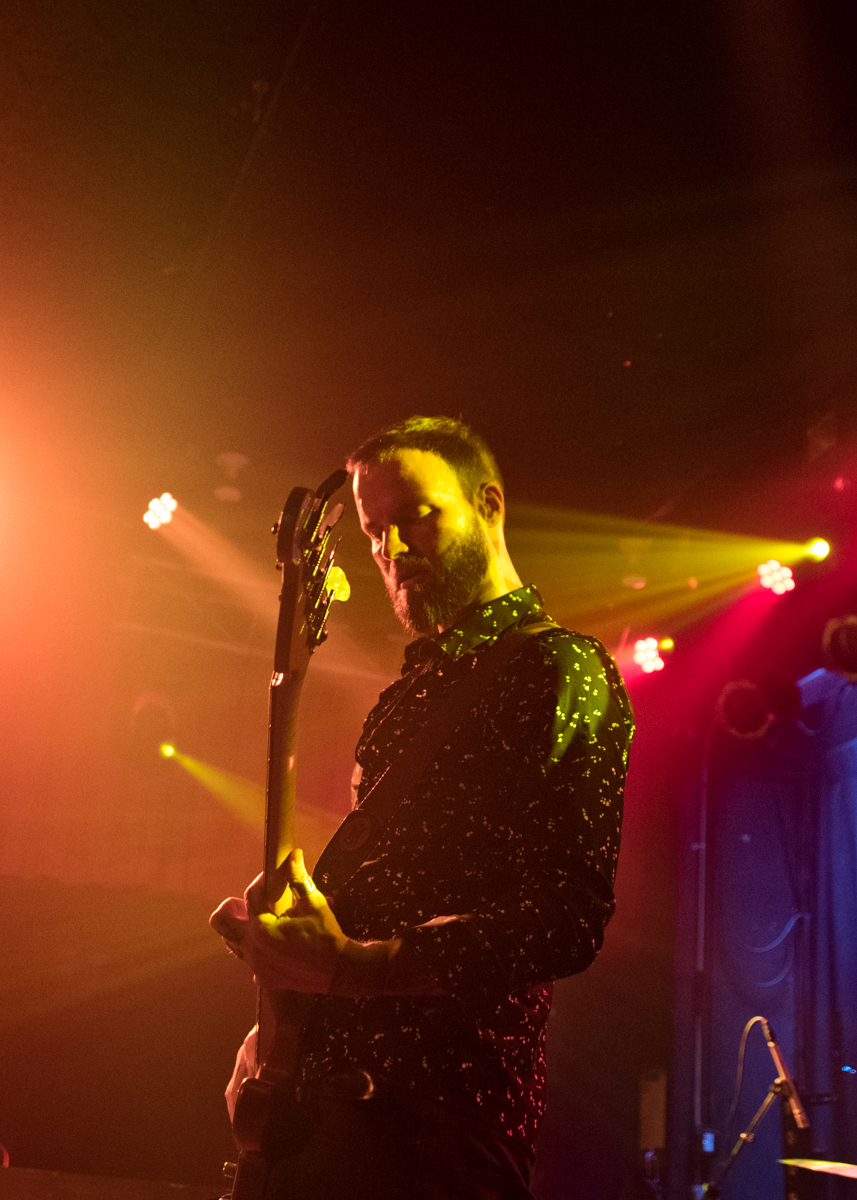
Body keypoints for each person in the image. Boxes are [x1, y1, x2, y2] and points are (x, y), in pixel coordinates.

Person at [211, 416, 633, 1200]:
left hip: (441, 1127)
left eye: (416, 517)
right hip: (326, 1107)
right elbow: (382, 902)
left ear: (489, 505)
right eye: (375, 532)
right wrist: (283, 1031)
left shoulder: (560, 668)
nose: (392, 551)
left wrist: (349, 968)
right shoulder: (403, 695)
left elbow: (565, 920)